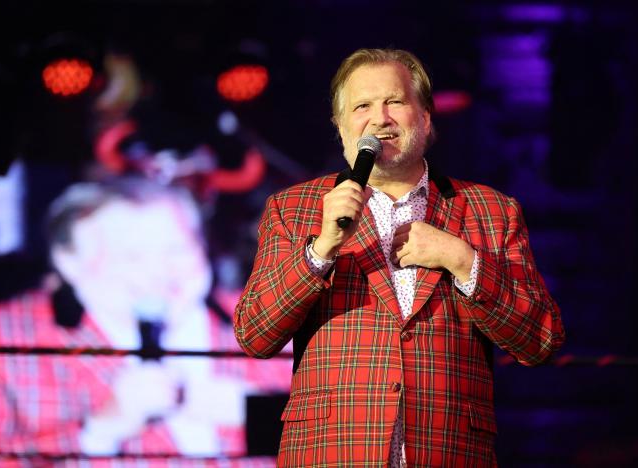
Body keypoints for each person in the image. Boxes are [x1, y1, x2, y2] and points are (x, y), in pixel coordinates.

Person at [234, 48, 565, 467]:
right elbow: (254, 335)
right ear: (340, 127)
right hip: (330, 452)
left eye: (394, 101)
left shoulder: (492, 211)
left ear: (425, 117)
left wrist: (464, 261)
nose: (380, 119)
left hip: (449, 452)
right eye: (362, 106)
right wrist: (321, 249)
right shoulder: (294, 209)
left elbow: (541, 340)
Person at [0, 176, 290, 461]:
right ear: (69, 262)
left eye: (177, 249)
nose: (160, 273)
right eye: (131, 256)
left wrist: (265, 419)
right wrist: (98, 432)